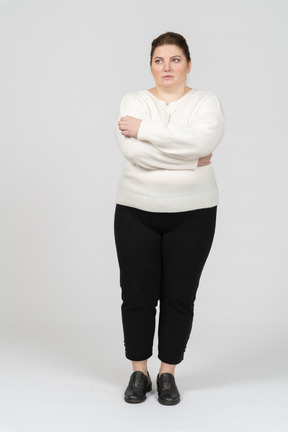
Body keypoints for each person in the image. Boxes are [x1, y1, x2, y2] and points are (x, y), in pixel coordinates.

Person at [113, 31, 225, 405]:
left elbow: (203, 142)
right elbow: (134, 155)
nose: (167, 67)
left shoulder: (206, 102)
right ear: (150, 65)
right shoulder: (133, 100)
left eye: (175, 59)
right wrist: (190, 160)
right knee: (137, 296)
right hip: (135, 210)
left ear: (188, 64)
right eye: (159, 60)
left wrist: (145, 130)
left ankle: (167, 374)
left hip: (194, 212)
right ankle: (138, 372)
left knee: (179, 297)